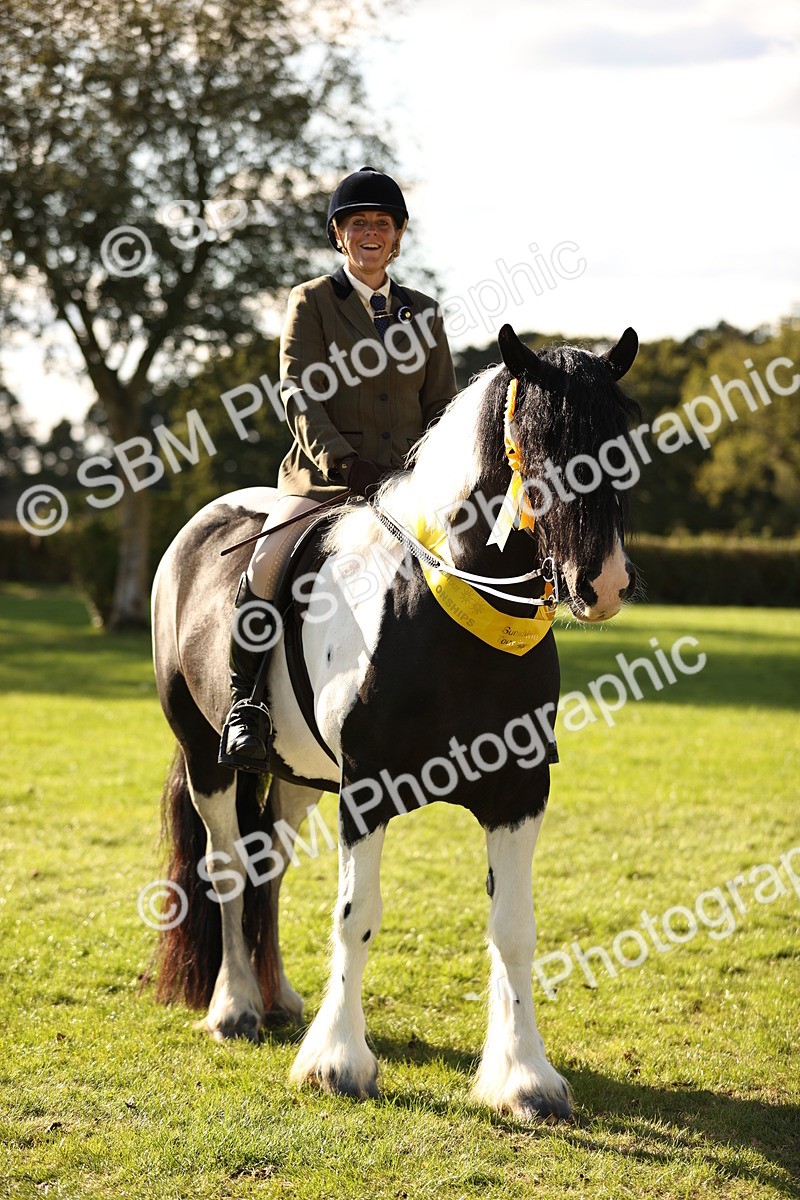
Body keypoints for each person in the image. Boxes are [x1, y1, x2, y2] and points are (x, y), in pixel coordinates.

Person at [219, 166, 457, 771]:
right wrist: (345, 462)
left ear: (398, 236)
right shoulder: (312, 303)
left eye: (383, 223)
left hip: (406, 488)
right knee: (267, 566)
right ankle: (246, 706)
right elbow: (298, 392)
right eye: (359, 223)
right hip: (326, 481)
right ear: (339, 236)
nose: (371, 232)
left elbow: (442, 410)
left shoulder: (424, 314)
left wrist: (422, 475)